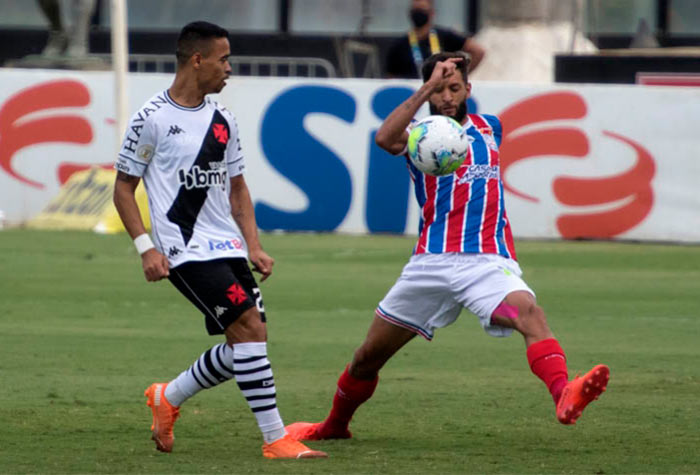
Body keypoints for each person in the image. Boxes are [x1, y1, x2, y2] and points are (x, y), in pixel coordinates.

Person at [285, 51, 610, 442]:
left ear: (468, 89)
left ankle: (564, 394)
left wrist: (447, 74)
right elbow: (384, 138)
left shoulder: (490, 128)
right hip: (429, 268)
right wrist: (425, 88)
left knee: (529, 315)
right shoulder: (419, 136)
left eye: (454, 87)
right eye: (440, 90)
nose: (447, 97)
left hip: (486, 268)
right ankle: (334, 426)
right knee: (367, 357)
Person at [112, 21, 326, 460]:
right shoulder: (151, 118)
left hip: (226, 247)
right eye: (224, 59)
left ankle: (167, 397)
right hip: (182, 251)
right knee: (249, 330)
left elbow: (238, 188)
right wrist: (145, 247)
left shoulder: (222, 119)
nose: (229, 69)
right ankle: (274, 439)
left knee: (247, 343)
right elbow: (122, 187)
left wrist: (254, 245)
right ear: (197, 59)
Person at [385, 0, 485, 79]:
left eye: (422, 11)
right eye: (415, 11)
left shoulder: (445, 36)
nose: (418, 14)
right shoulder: (399, 45)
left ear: (431, 13)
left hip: (440, 90)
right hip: (412, 94)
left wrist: (462, 77)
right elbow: (391, 78)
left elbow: (478, 51)